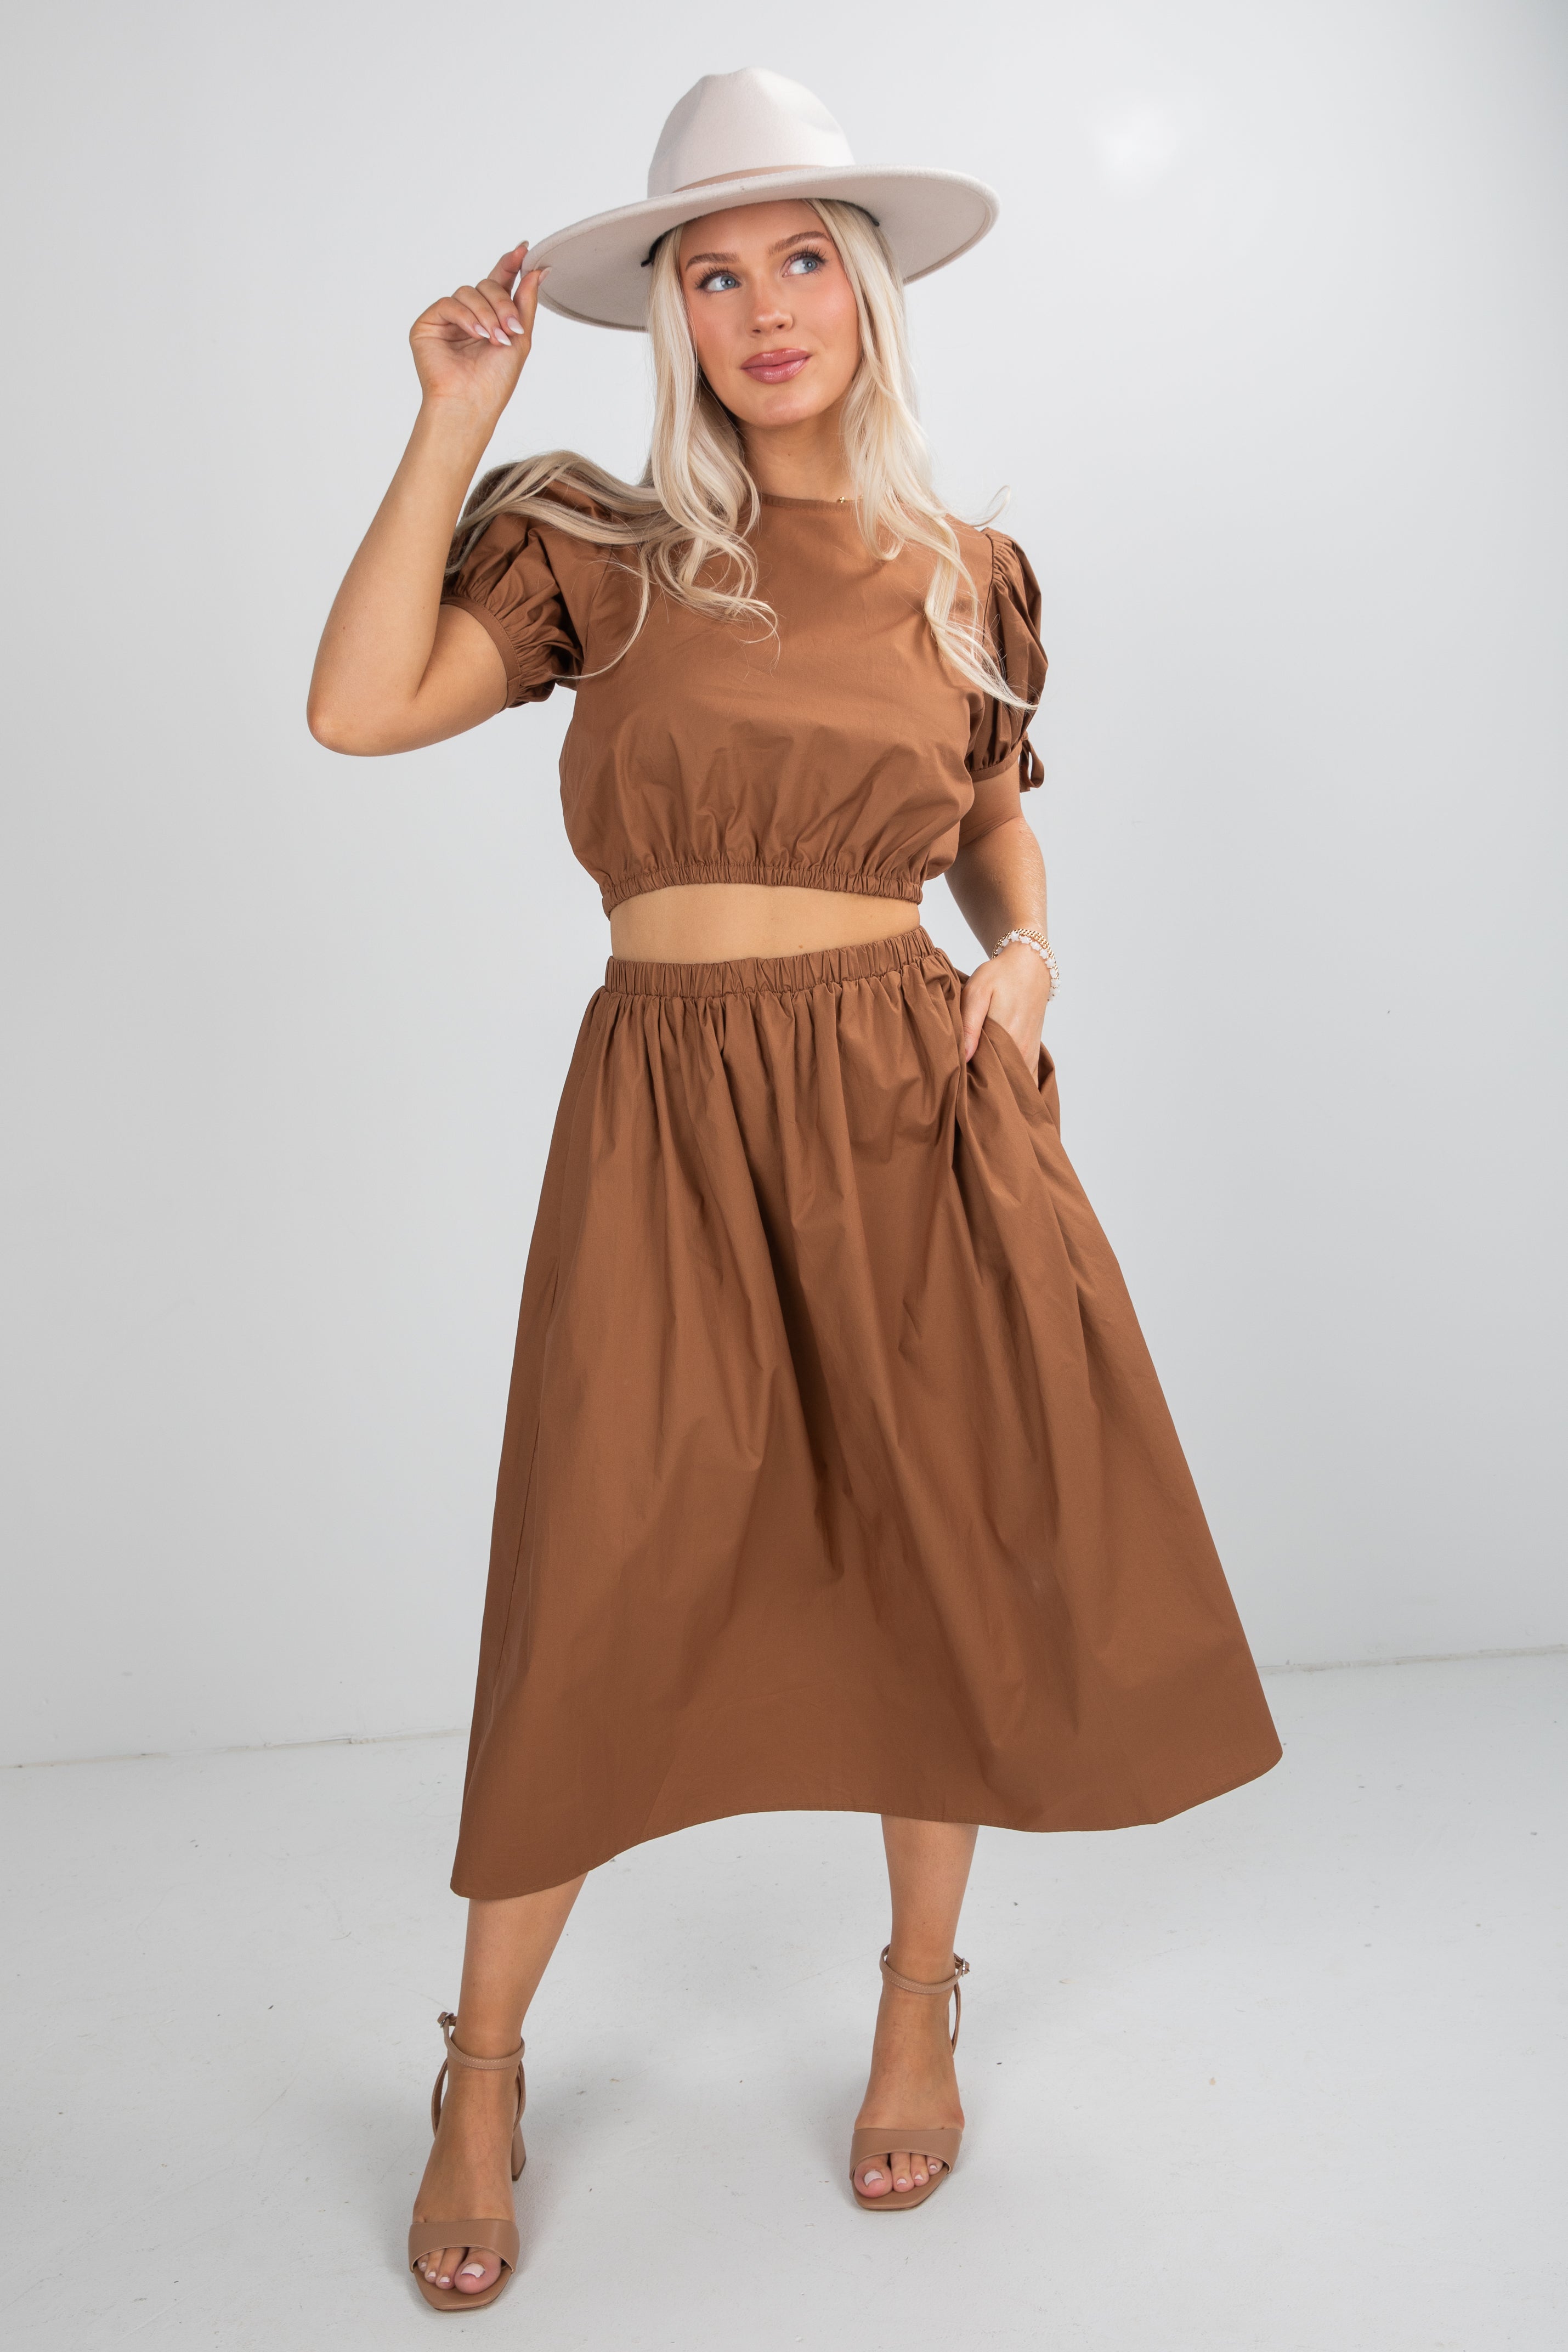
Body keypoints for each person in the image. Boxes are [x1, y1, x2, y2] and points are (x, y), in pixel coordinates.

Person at [309, 66, 1281, 2312]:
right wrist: (450, 411)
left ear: (867, 286)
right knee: (597, 1562)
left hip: (903, 1095)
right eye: (711, 271)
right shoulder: (599, 545)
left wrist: (1025, 949)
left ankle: (914, 1994)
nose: (760, 305)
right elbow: (357, 709)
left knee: (926, 1536)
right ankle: (479, 2060)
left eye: (800, 256)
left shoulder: (970, 572)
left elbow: (989, 805)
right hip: (662, 1108)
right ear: (666, 318)